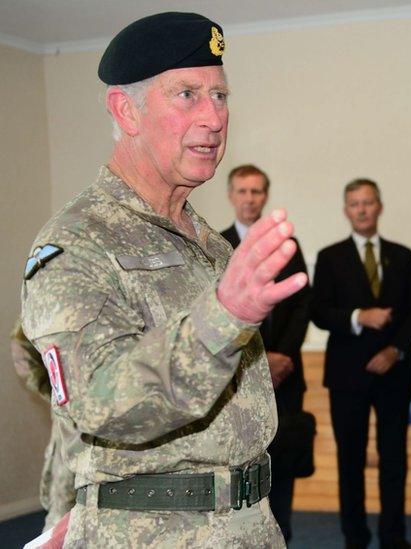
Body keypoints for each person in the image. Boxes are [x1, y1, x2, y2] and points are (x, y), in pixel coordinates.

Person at [19, 12, 305, 547]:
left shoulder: (213, 244)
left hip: (252, 526)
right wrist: (227, 316)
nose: (214, 117)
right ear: (126, 110)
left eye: (220, 96)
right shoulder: (77, 242)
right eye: (187, 94)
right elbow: (95, 405)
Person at [311, 178, 411, 549]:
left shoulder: (404, 256)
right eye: (355, 204)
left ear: (379, 206)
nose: (362, 209)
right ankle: (355, 539)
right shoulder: (330, 257)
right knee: (350, 461)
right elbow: (319, 312)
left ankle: (394, 537)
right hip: (347, 376)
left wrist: (396, 350)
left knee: (394, 458)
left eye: (368, 202)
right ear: (346, 210)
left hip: (395, 372)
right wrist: (360, 316)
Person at [221, 164, 312, 542]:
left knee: (284, 466)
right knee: (242, 467)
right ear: (231, 196)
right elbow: (218, 313)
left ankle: (283, 536)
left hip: (286, 374)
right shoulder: (216, 244)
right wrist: (257, 362)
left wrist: (280, 357)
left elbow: (301, 304)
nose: (249, 198)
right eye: (242, 191)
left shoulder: (285, 244)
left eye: (256, 191)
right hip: (238, 380)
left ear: (265, 196)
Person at [10, 321, 76, 531]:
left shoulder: (70, 408)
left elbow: (67, 488)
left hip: (68, 526)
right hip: (58, 521)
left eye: (21, 362)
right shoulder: (55, 402)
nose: (18, 369)